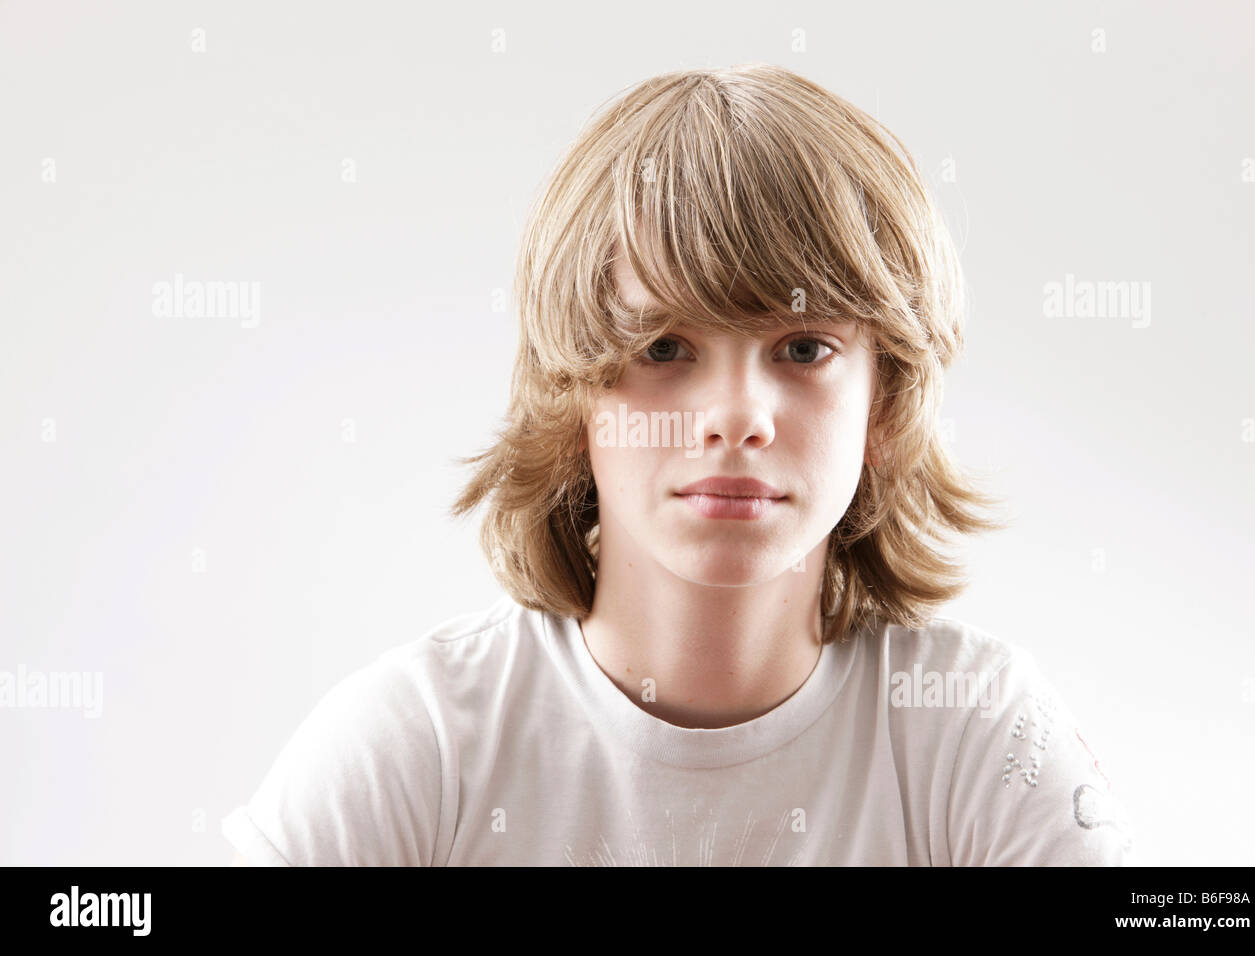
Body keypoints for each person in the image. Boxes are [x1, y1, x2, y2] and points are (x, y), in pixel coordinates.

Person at [222, 63, 1136, 866]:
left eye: (805, 348)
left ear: (885, 406)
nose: (737, 417)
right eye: (663, 348)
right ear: (574, 401)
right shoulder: (416, 746)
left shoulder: (976, 737)